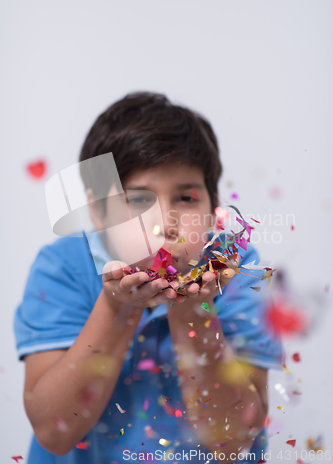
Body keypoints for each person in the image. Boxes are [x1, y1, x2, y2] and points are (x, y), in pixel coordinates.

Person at [14, 92, 284, 464]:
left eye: (186, 198)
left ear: (212, 208)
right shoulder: (63, 269)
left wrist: (193, 310)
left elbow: (233, 443)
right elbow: (53, 432)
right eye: (138, 199)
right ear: (96, 211)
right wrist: (116, 307)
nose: (165, 223)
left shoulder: (236, 269)